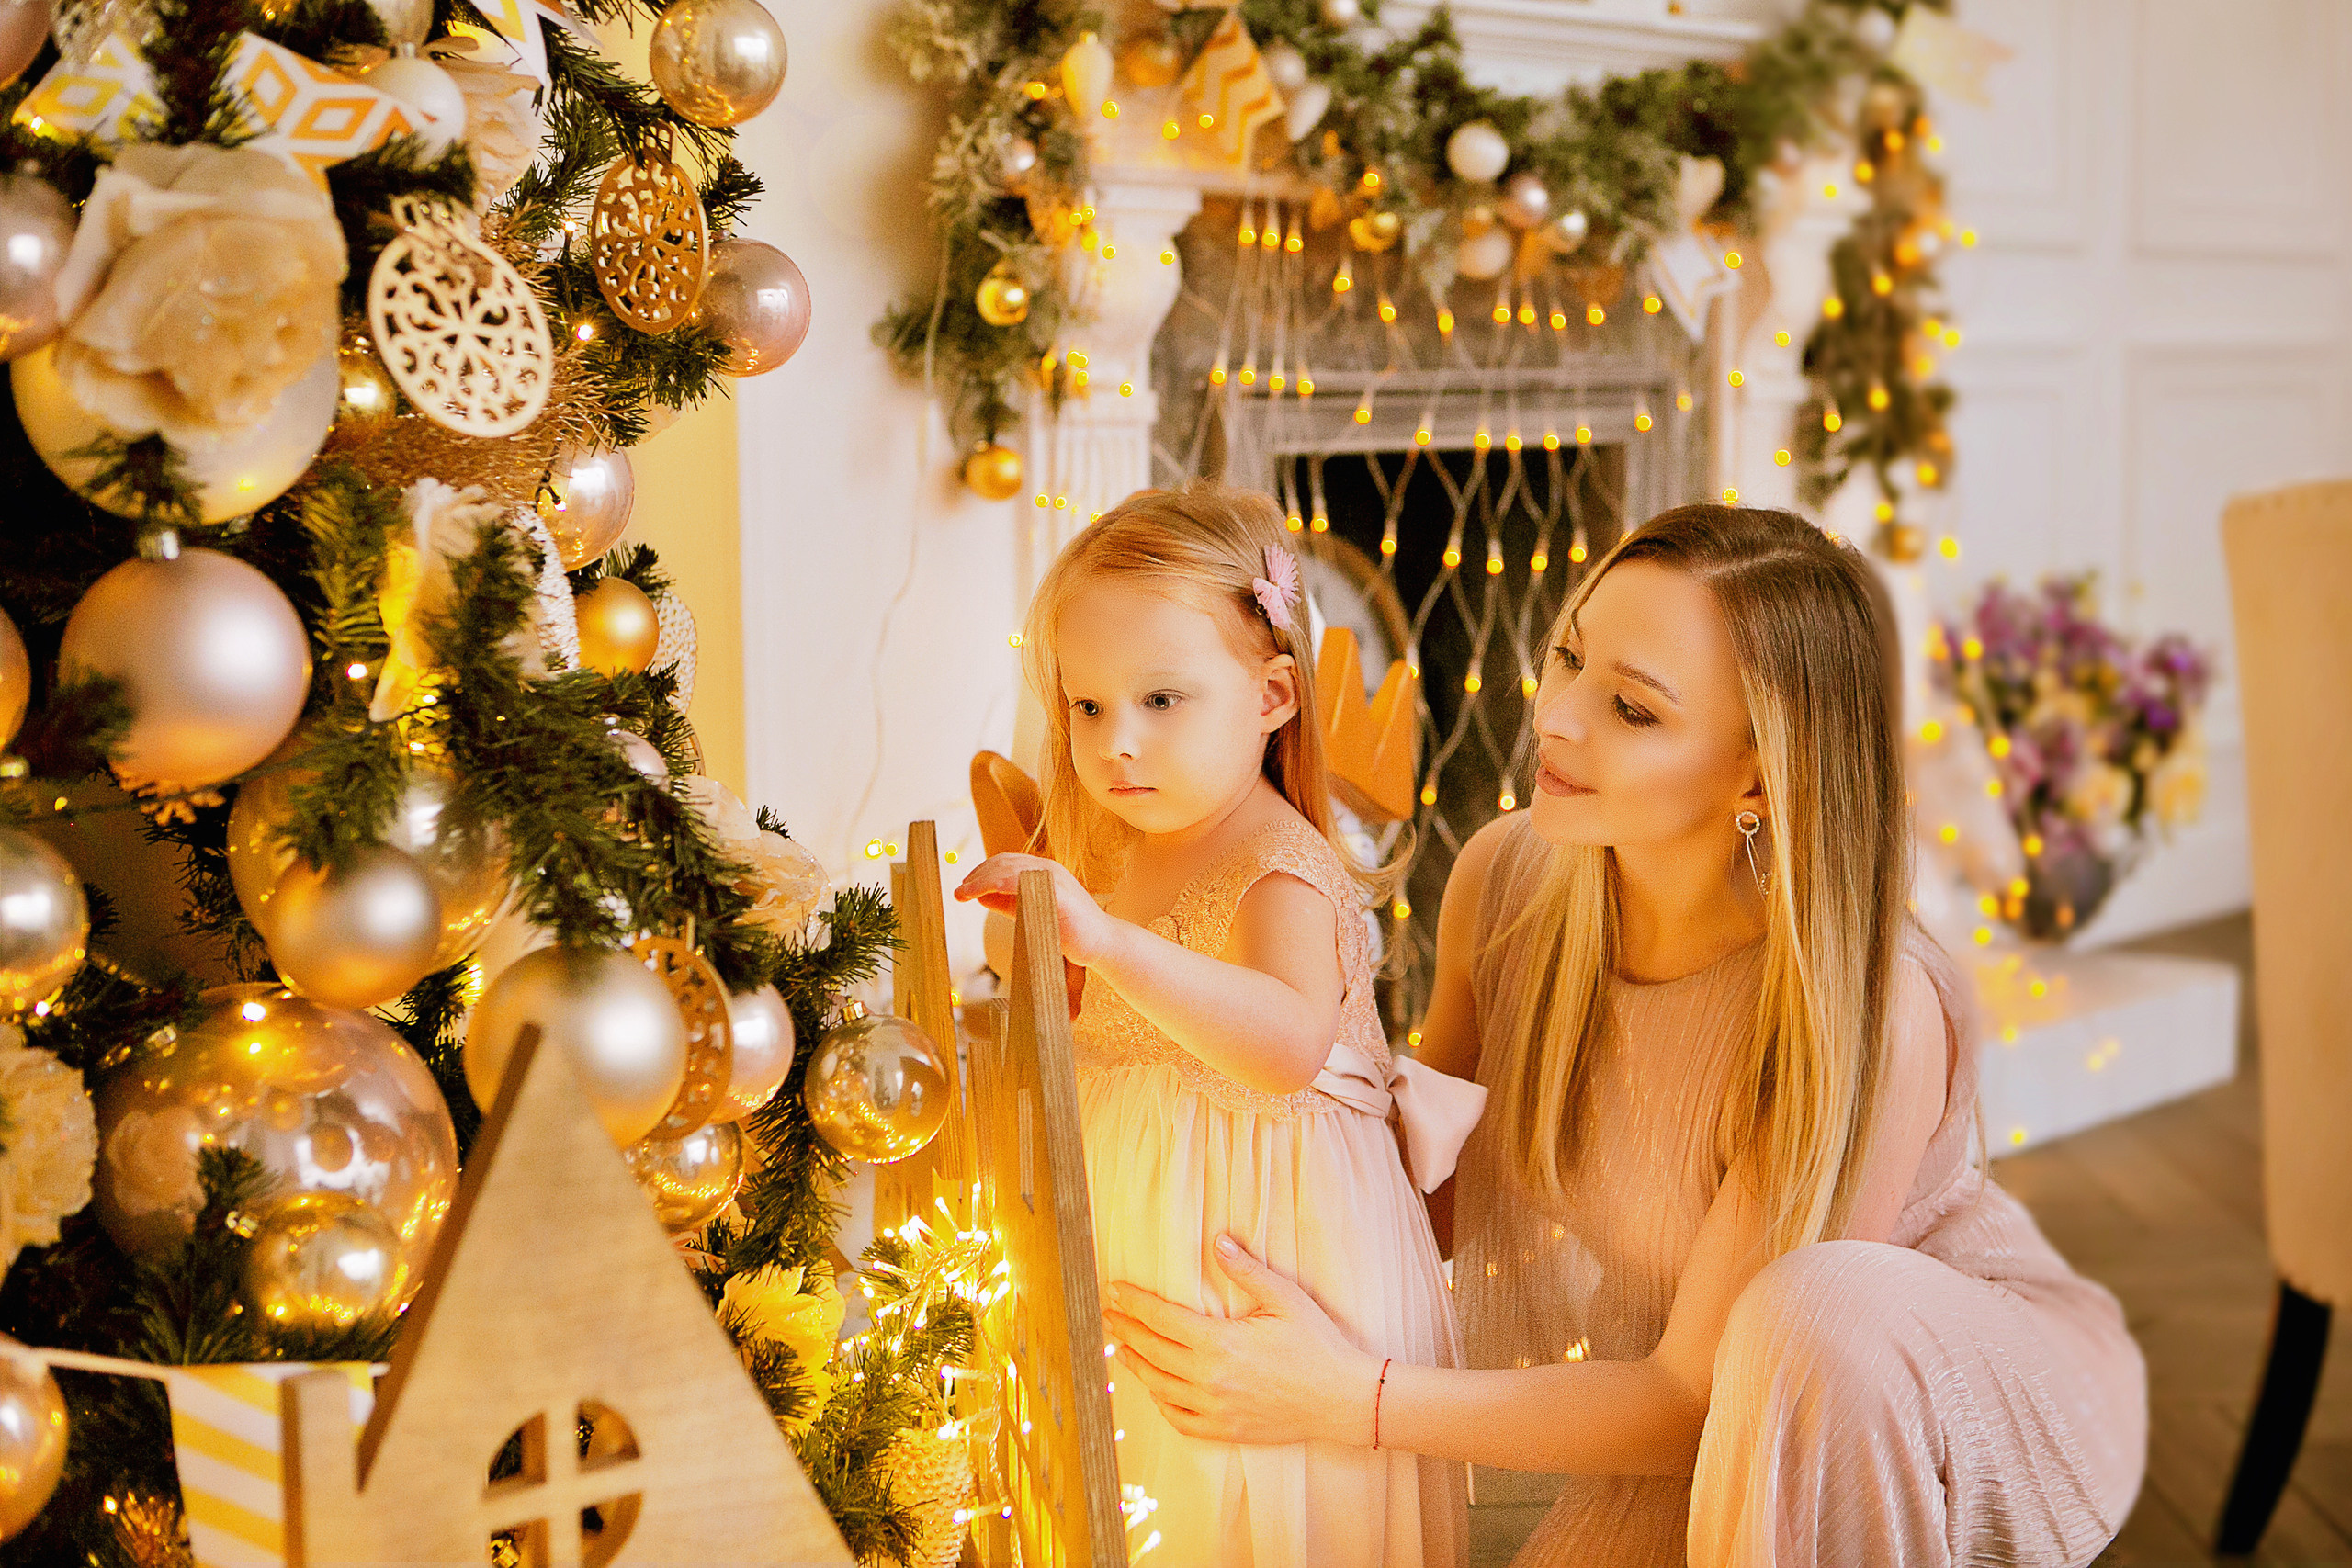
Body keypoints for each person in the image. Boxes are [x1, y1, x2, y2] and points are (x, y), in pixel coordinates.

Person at [1102, 504, 2149, 1567]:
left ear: (1756, 775)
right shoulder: (1505, 880)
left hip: (1929, 1408)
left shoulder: (1863, 1011)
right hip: (1690, 1411)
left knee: (1804, 1311)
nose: (1556, 718)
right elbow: (1420, 1203)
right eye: (1568, 658)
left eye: (1632, 709)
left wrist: (1347, 1397)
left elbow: (1699, 1397)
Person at [955, 482, 1480, 1567]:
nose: (1117, 743)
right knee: (1147, 1490)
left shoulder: (1278, 863)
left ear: (1274, 694)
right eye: (1087, 706)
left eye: (1161, 699)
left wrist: (1108, 944)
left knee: (1249, 1504)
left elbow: (1284, 1046)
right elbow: (1115, 1029)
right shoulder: (1131, 848)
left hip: (1265, 1244)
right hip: (1145, 1220)